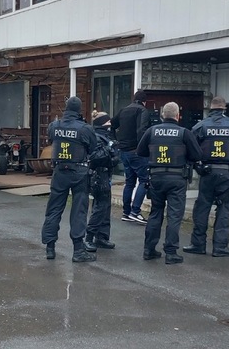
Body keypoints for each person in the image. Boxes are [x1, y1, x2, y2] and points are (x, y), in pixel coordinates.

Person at [136, 102, 202, 264]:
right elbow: (197, 154)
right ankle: (171, 252)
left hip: (156, 178)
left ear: (162, 115)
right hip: (177, 179)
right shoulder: (184, 133)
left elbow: (141, 151)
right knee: (174, 215)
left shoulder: (152, 131)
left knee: (155, 213)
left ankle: (149, 250)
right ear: (178, 115)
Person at [185, 96, 229, 257]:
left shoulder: (200, 126)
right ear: (224, 109)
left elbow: (189, 147)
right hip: (226, 172)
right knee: (225, 208)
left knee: (202, 207)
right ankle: (220, 247)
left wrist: (197, 166)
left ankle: (198, 244)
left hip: (207, 173)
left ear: (211, 109)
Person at [41, 96, 98, 262]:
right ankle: (78, 251)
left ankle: (50, 248)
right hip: (79, 171)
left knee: (54, 209)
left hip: (59, 171)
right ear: (79, 110)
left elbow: (51, 138)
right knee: (78, 211)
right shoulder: (85, 128)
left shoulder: (54, 126)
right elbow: (93, 148)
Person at [111, 90, 150, 225]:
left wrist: (116, 141)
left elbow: (111, 124)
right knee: (144, 180)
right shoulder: (142, 111)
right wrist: (143, 148)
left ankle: (126, 212)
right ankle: (135, 211)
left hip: (124, 151)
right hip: (136, 151)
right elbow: (142, 130)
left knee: (129, 182)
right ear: (144, 101)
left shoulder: (123, 110)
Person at [84, 111, 119, 252]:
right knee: (100, 207)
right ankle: (89, 237)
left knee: (105, 206)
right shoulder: (97, 137)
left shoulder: (104, 136)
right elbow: (95, 157)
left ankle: (102, 237)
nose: (110, 126)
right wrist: (111, 155)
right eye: (108, 123)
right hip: (99, 175)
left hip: (104, 174)